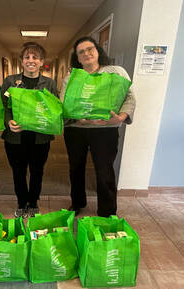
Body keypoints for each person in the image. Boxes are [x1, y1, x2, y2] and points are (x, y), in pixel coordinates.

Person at [60, 36, 136, 217]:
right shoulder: (72, 78)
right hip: (76, 130)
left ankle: (107, 211)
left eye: (89, 49)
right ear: (77, 58)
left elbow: (129, 97)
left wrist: (119, 118)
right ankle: (78, 202)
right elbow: (64, 103)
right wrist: (76, 119)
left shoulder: (115, 72)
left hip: (105, 131)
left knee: (104, 171)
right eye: (81, 52)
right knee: (75, 168)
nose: (86, 54)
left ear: (98, 51)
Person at [1, 42, 58, 218]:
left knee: (37, 171)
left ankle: (32, 203)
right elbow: (2, 105)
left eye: (35, 57)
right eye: (27, 57)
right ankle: (21, 202)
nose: (31, 60)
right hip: (15, 137)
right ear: (22, 61)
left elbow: (54, 107)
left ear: (41, 62)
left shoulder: (49, 83)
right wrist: (8, 121)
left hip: (40, 137)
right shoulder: (11, 81)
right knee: (18, 172)